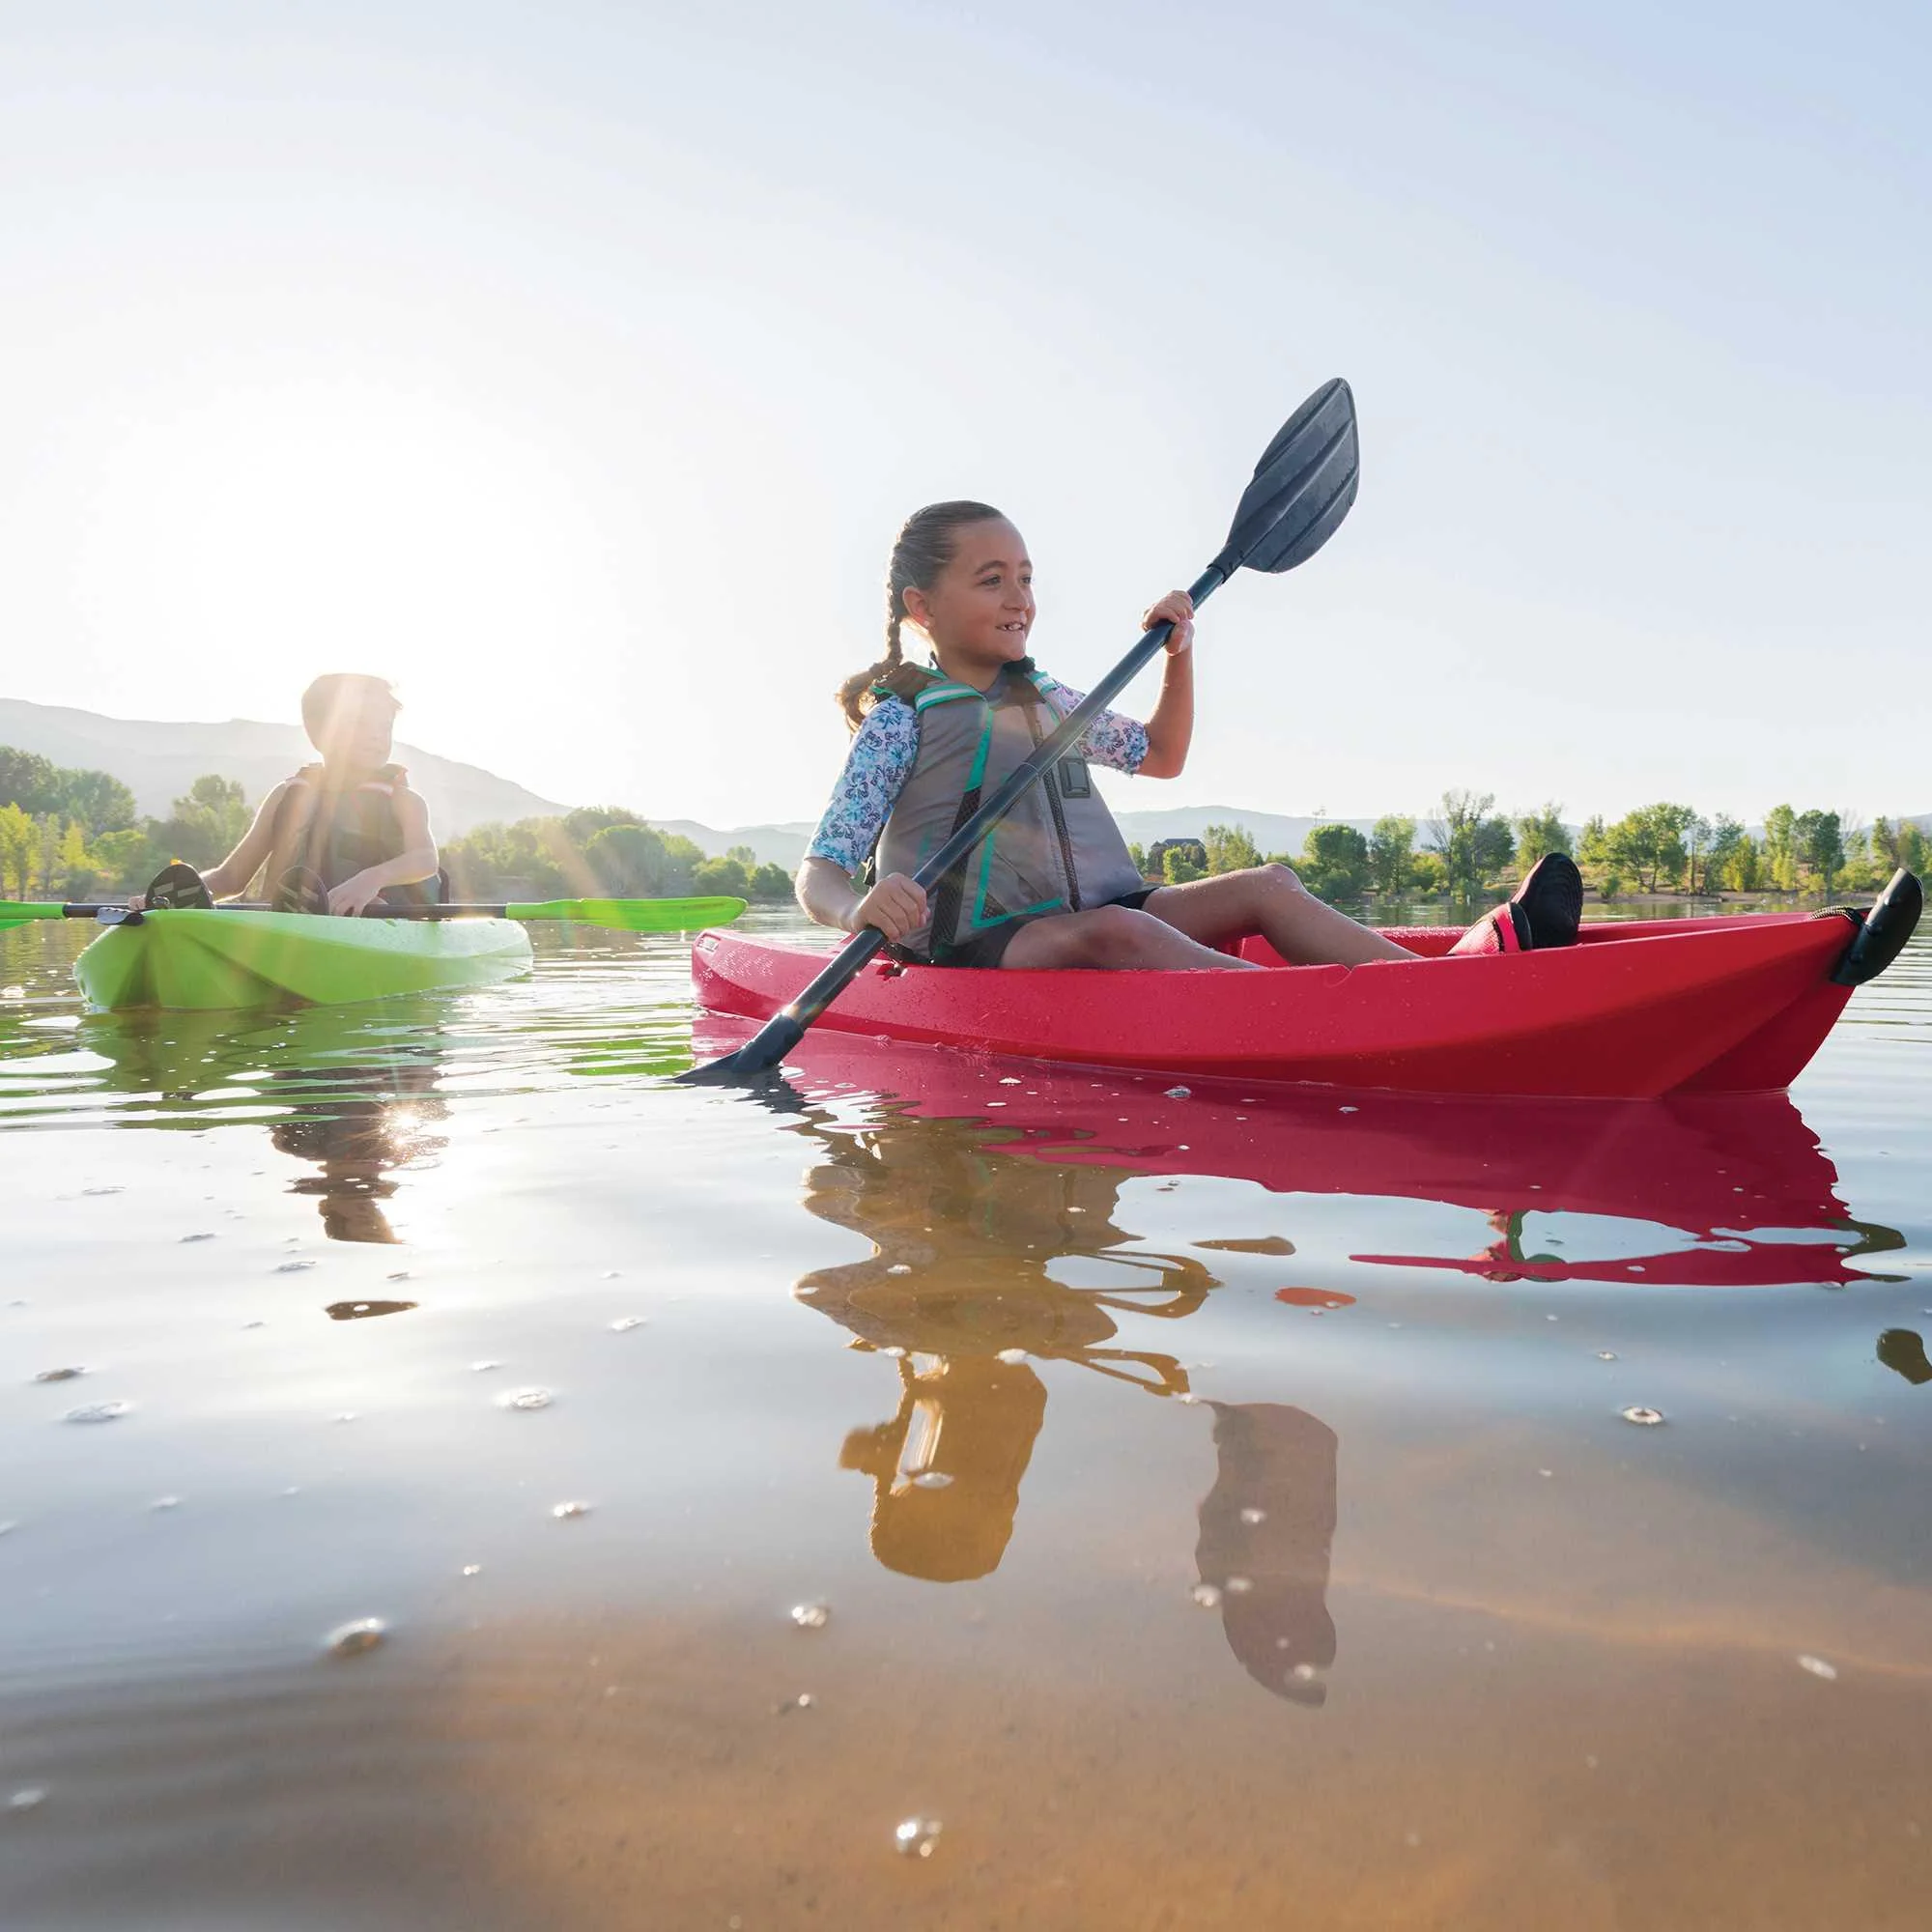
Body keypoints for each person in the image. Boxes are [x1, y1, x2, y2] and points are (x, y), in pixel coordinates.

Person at [796, 500, 1579, 970]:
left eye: (1026, 577)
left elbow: (1162, 757)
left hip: (1102, 910)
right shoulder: (900, 719)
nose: (1019, 598)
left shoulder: (1048, 699)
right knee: (1119, 929)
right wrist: (857, 910)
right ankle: (1348, 1012)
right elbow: (821, 871)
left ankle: (1445, 984)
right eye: (991, 579)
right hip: (979, 945)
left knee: (1269, 883)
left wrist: (1179, 656)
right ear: (923, 607)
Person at [137, 674, 440, 916]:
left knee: (372, 904)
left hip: (380, 922)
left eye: (385, 727)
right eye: (360, 723)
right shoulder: (287, 796)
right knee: (194, 901)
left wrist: (372, 878)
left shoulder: (403, 801)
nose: (376, 735)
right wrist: (160, 900)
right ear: (317, 732)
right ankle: (185, 915)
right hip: (287, 929)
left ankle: (336, 916)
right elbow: (231, 877)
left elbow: (425, 859)